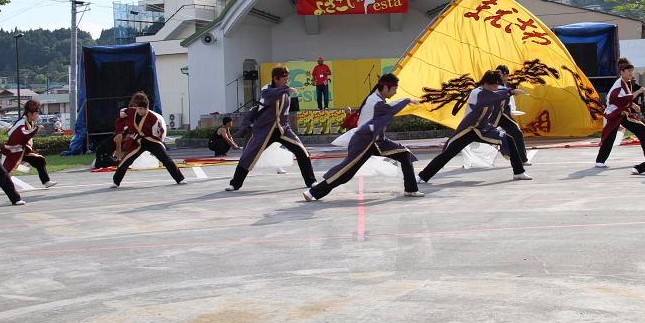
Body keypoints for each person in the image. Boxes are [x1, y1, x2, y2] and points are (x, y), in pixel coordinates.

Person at [303, 73, 423, 201]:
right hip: (364, 141)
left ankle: (411, 189)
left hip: (377, 141)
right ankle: (313, 192)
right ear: (385, 88)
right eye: (394, 89)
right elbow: (389, 109)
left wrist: (406, 101)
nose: (395, 92)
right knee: (346, 172)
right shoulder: (375, 101)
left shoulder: (377, 98)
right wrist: (406, 100)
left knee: (404, 154)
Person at [418, 70, 532, 183]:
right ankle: (422, 176)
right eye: (495, 85)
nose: (497, 87)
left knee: (509, 139)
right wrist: (510, 92)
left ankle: (519, 172)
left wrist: (513, 90)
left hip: (484, 129)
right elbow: (489, 98)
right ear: (486, 84)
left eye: (498, 85)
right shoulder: (476, 93)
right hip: (469, 129)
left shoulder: (492, 90)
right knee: (449, 153)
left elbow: (501, 90)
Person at [226, 66, 316, 191]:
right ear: (276, 78)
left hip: (283, 129)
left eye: (287, 78)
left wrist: (286, 90)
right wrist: (286, 89)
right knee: (248, 155)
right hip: (264, 130)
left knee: (302, 151)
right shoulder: (267, 89)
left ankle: (311, 182)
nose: (287, 80)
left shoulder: (285, 91)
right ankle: (235, 183)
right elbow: (270, 96)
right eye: (284, 78)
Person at [111, 91, 186, 188]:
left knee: (165, 159)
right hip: (138, 142)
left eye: (144, 109)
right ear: (136, 107)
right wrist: (122, 115)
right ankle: (116, 182)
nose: (141, 111)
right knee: (126, 160)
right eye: (139, 109)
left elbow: (161, 132)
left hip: (152, 141)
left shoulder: (154, 117)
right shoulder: (131, 111)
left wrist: (159, 143)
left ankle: (180, 178)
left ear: (148, 108)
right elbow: (122, 112)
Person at [0, 99, 57, 193]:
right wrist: (35, 130)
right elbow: (13, 134)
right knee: (7, 171)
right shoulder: (21, 123)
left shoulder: (29, 122)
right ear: (30, 113)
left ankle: (46, 181)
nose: (38, 116)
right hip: (13, 151)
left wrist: (33, 131)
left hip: (23, 150)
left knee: (39, 160)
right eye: (36, 113)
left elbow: (26, 135)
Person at [595, 58, 645, 167]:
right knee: (610, 136)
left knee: (641, 131)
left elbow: (625, 99)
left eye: (632, 70)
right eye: (628, 70)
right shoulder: (619, 84)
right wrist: (638, 91)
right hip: (615, 113)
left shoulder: (626, 83)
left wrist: (633, 105)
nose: (631, 73)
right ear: (621, 72)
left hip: (623, 113)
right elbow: (617, 98)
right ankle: (600, 161)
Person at [494, 65, 530, 166]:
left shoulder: (508, 85)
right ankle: (469, 158)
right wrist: (512, 92)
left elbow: (509, 100)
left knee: (517, 133)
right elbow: (501, 93)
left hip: (504, 116)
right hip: (492, 116)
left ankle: (523, 159)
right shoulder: (494, 84)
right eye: (500, 74)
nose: (502, 76)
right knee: (476, 136)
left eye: (504, 74)